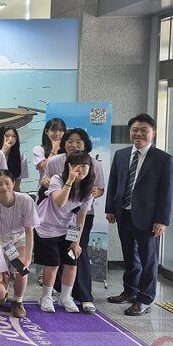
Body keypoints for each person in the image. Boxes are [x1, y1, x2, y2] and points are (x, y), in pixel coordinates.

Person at [105, 114, 173, 316]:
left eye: (144, 130)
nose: (139, 133)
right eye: (135, 130)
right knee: (129, 257)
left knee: (148, 260)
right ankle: (130, 291)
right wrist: (110, 208)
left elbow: (167, 192)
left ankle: (145, 299)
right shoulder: (121, 154)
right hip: (124, 214)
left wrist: (162, 220)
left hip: (149, 219)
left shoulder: (163, 159)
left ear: (153, 132)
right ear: (130, 132)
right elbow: (114, 182)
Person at [44, 128, 105, 313]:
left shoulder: (93, 163)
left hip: (80, 216)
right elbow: (46, 182)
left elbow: (99, 189)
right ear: (64, 143)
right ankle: (56, 292)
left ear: (86, 144)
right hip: (55, 216)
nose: (74, 145)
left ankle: (84, 296)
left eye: (79, 142)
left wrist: (94, 193)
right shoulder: (55, 161)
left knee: (77, 252)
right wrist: (48, 183)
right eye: (70, 141)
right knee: (55, 257)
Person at [33, 151, 94, 314]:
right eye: (75, 166)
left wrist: (76, 241)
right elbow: (60, 202)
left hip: (69, 228)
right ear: (68, 166)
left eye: (84, 166)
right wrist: (69, 181)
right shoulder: (57, 179)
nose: (79, 170)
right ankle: (46, 296)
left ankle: (66, 296)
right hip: (47, 226)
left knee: (72, 262)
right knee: (52, 263)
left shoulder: (89, 188)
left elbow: (81, 216)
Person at [0, 169, 39, 318]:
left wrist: (28, 258)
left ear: (14, 183)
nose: (4, 187)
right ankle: (4, 293)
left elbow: (29, 230)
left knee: (22, 269)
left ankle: (18, 302)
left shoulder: (26, 200)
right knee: (1, 271)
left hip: (19, 238)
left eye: (7, 183)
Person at [0, 125, 28, 190]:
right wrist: (2, 153)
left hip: (11, 191)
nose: (10, 139)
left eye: (14, 136)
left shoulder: (21, 156)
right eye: (7, 136)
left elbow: (18, 180)